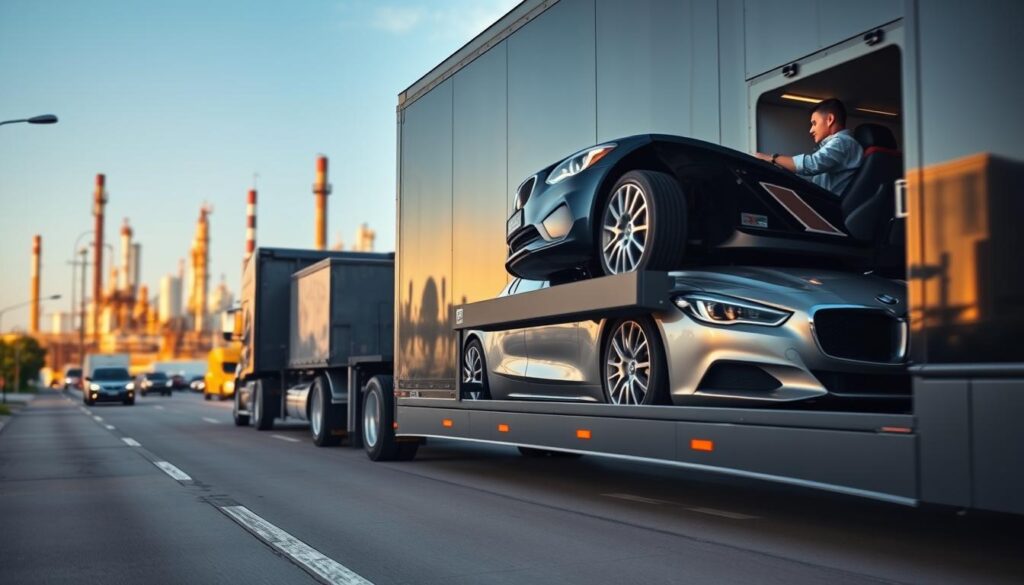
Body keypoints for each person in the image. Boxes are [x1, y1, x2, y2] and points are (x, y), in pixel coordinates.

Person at [755, 98, 863, 196]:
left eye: (814, 123)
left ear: (830, 119)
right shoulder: (842, 143)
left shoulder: (843, 142)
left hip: (831, 209)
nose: (811, 130)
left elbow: (812, 164)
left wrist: (773, 158)